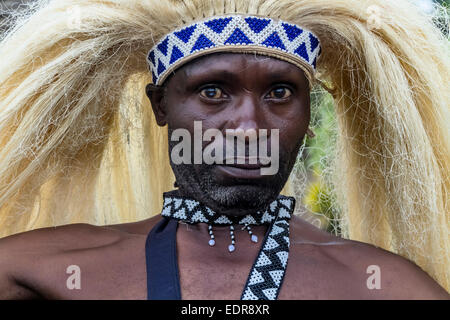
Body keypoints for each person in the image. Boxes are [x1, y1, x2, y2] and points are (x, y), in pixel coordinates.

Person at [0, 0, 448, 299]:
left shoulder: (382, 285)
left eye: (279, 93)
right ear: (160, 105)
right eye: (213, 92)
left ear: (309, 113)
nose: (250, 128)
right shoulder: (39, 270)